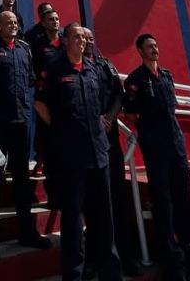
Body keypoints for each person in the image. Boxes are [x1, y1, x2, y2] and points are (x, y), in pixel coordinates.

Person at [123, 35, 190, 281]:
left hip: (177, 148)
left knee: (184, 205)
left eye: (156, 45)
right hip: (156, 151)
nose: (155, 49)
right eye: (149, 47)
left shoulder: (165, 76)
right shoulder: (135, 81)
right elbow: (132, 116)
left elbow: (171, 108)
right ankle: (174, 268)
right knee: (164, 207)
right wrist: (151, 133)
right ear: (139, 51)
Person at [35, 22, 123, 281]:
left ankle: (110, 273)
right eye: (76, 37)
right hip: (71, 157)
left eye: (84, 38)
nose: (82, 41)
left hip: (99, 153)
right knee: (73, 220)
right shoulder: (53, 69)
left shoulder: (95, 69)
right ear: (64, 41)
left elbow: (111, 97)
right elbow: (40, 104)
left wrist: (104, 119)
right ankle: (74, 275)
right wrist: (62, 127)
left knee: (104, 220)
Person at [0, 10, 51, 259]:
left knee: (22, 182)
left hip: (21, 123)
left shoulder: (24, 49)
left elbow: (29, 82)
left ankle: (27, 232)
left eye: (16, 22)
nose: (13, 25)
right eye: (8, 22)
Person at [84, 28, 143, 278]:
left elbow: (119, 95)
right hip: (86, 144)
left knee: (117, 201)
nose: (87, 41)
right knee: (93, 204)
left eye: (90, 38)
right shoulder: (71, 66)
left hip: (109, 143)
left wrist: (108, 118)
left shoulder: (106, 65)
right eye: (82, 37)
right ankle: (94, 259)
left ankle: (126, 257)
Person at [28, 4, 62, 179]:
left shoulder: (65, 41)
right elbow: (31, 67)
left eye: (56, 19)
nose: (55, 22)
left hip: (64, 95)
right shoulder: (37, 44)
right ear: (43, 23)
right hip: (45, 96)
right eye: (51, 19)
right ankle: (40, 162)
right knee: (44, 134)